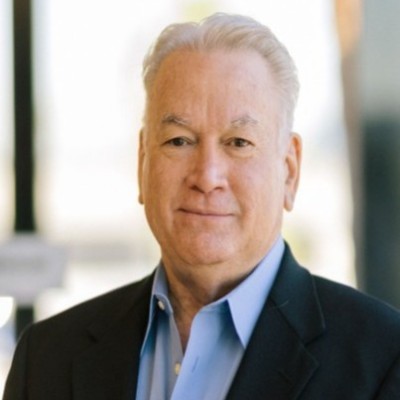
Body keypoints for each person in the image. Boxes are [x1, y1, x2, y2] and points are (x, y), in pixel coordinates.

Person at [4, 12, 400, 400]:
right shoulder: (47, 358)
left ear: (289, 171)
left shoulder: (383, 359)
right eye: (179, 141)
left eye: (239, 143)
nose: (207, 175)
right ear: (143, 161)